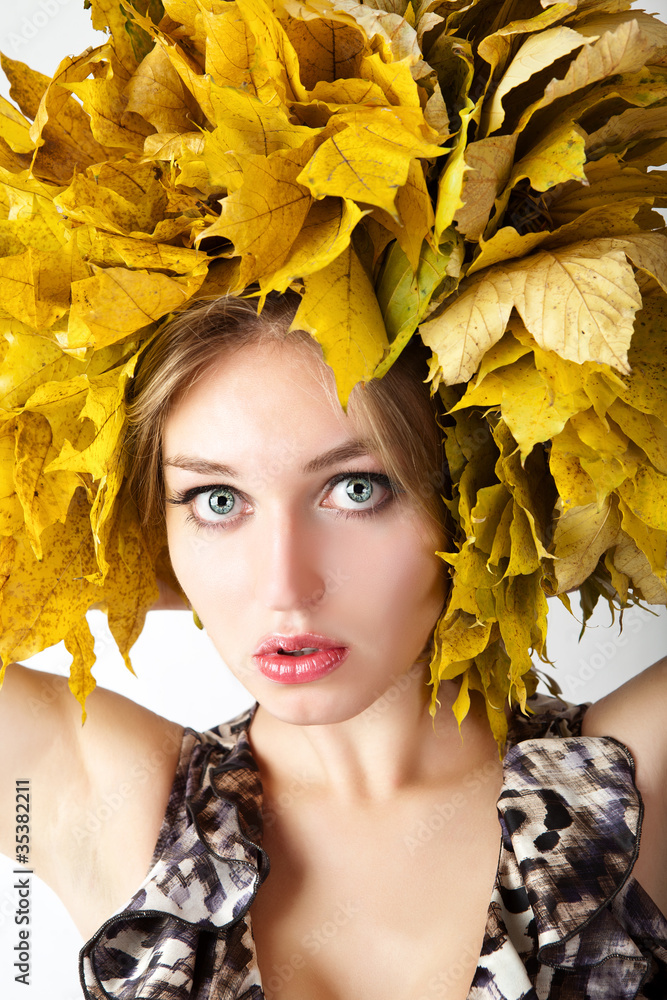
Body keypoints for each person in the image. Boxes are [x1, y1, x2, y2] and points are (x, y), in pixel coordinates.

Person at [0, 292, 665, 1000]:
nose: (284, 586)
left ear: (475, 496)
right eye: (216, 500)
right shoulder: (109, 795)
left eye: (354, 489)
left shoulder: (629, 786)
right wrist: (111, 568)